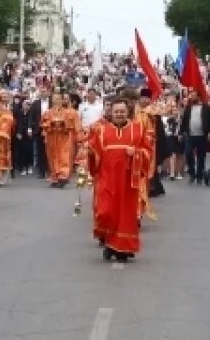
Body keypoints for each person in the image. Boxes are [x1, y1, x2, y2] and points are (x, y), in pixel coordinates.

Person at [86, 99, 154, 262]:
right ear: (111, 113)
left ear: (127, 112)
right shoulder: (101, 131)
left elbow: (148, 152)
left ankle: (121, 247)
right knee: (106, 212)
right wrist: (90, 153)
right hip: (107, 180)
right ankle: (110, 242)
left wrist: (136, 153)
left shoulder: (138, 129)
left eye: (122, 111)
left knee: (125, 216)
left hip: (128, 183)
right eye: (116, 111)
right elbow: (94, 153)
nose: (119, 114)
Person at [41, 92, 80, 187]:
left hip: (64, 137)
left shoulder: (69, 112)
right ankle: (55, 177)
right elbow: (43, 124)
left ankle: (63, 176)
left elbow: (74, 126)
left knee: (64, 156)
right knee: (52, 156)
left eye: (58, 98)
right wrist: (51, 123)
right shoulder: (48, 112)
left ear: (62, 100)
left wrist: (64, 123)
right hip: (52, 136)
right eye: (54, 99)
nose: (56, 101)